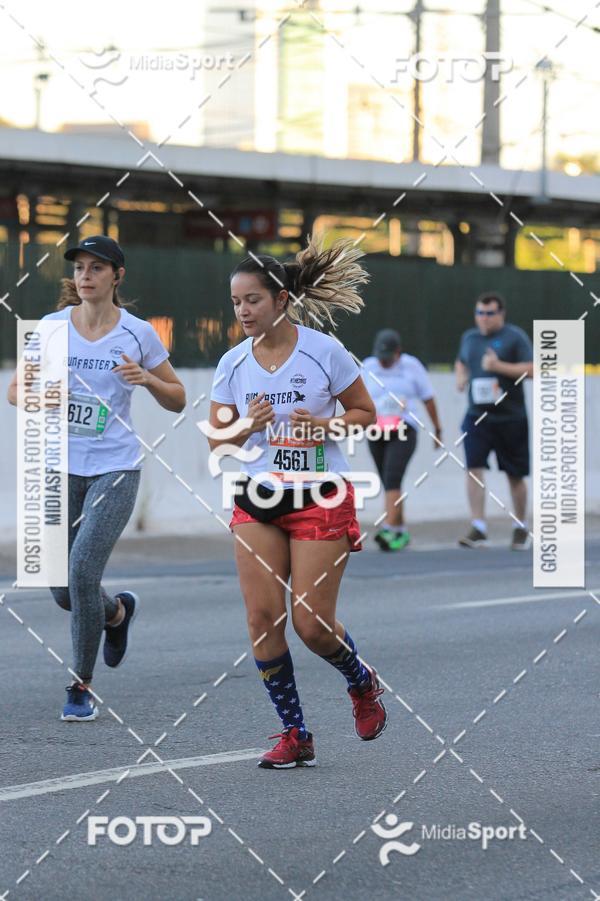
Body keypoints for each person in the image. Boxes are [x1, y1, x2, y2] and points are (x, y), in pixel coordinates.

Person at [206, 235, 387, 769]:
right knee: (263, 620)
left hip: (320, 494)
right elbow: (217, 441)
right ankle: (294, 733)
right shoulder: (233, 364)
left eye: (253, 300)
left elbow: (365, 413)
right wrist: (246, 426)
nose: (243, 310)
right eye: (236, 302)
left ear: (281, 299)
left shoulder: (324, 351)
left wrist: (325, 424)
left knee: (310, 624)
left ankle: (361, 682)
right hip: (259, 495)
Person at [7, 235, 186, 721]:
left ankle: (80, 686)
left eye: (96, 268)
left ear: (117, 276)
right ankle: (116, 613)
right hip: (57, 465)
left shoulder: (138, 334)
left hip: (115, 466)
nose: (85, 276)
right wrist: (40, 398)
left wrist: (146, 379)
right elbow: (15, 392)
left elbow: (178, 397)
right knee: (61, 588)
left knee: (83, 570)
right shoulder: (50, 327)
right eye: (80, 268)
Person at [454, 292, 533, 550]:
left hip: (510, 417)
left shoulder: (515, 337)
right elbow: (461, 361)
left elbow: (533, 370)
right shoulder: (469, 337)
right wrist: (461, 377)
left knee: (515, 475)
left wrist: (498, 366)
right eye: (479, 313)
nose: (484, 319)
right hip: (477, 416)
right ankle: (478, 527)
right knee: (473, 469)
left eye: (489, 313)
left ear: (501, 314)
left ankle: (520, 526)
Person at [363, 329, 442, 551]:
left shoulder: (411, 366)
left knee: (393, 477)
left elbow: (428, 398)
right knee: (388, 482)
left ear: (398, 353)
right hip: (377, 431)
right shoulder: (368, 366)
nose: (384, 362)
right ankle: (401, 531)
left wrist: (437, 428)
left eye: (388, 358)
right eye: (381, 358)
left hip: (403, 429)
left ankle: (388, 527)